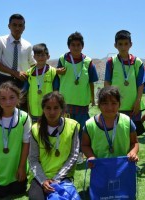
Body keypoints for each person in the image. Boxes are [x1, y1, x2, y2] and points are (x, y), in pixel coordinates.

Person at [55, 31, 99, 164]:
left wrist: (92, 98)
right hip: (65, 102)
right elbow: (56, 80)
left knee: (81, 129)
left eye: (78, 45)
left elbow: (91, 82)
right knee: (65, 128)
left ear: (82, 46)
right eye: (73, 45)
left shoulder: (88, 62)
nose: (75, 47)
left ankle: (80, 152)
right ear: (69, 46)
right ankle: (67, 152)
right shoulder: (63, 59)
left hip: (82, 102)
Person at [28, 91, 80, 200]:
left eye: (56, 108)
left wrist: (57, 179)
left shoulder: (73, 126)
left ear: (62, 109)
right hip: (40, 177)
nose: (52, 112)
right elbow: (33, 159)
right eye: (48, 108)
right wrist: (43, 180)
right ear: (43, 109)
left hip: (63, 176)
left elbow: (73, 155)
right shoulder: (35, 129)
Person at [0, 81, 32, 198]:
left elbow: (26, 144)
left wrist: (21, 167)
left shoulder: (24, 117)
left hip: (17, 170)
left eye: (12, 97)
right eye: (3, 98)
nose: (8, 102)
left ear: (18, 97)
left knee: (18, 191)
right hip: (0, 171)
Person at [104, 30, 145, 136]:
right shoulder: (111, 62)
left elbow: (140, 84)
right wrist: (109, 102)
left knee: (132, 135)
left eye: (126, 44)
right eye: (120, 44)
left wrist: (137, 101)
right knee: (116, 133)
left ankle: (131, 153)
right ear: (115, 45)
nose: (123, 47)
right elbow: (107, 83)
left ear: (130, 44)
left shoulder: (137, 62)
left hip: (133, 106)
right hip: (116, 105)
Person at [0, 13, 36, 111]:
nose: (17, 28)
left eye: (20, 25)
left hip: (22, 81)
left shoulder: (28, 45)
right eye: (14, 25)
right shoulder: (0, 41)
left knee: (22, 111)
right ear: (9, 26)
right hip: (4, 79)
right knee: (3, 110)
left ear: (24, 27)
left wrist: (51, 70)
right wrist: (15, 73)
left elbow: (33, 64)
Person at [82, 86, 139, 162]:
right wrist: (91, 156)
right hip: (100, 167)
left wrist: (133, 152)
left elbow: (134, 142)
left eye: (114, 103)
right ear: (99, 105)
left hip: (123, 167)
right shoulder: (89, 125)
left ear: (119, 104)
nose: (109, 107)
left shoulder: (127, 121)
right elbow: (85, 145)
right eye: (105, 103)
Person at [26, 43, 62, 122]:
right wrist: (28, 109)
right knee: (35, 132)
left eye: (43, 55)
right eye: (38, 55)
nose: (40, 57)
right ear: (34, 57)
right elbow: (26, 92)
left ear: (48, 56)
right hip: (34, 111)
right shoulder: (29, 73)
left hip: (49, 111)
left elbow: (56, 92)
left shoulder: (53, 72)